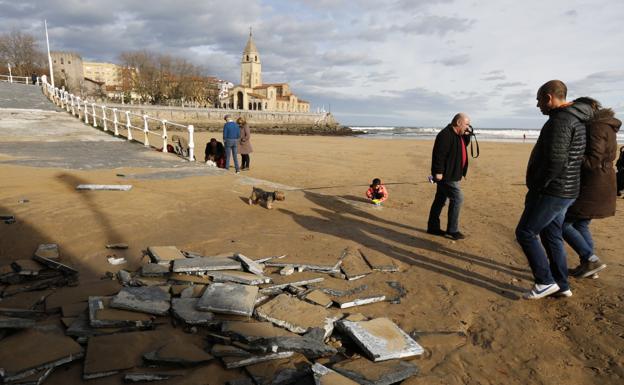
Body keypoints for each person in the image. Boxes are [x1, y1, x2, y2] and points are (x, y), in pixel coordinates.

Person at [515, 80, 591, 300]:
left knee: (526, 232)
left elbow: (555, 162)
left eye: (539, 100)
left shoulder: (561, 121)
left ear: (549, 97)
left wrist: (538, 186)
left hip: (554, 191)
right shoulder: (573, 119)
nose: (538, 105)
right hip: (566, 190)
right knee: (552, 234)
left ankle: (545, 281)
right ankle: (561, 284)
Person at [563, 97, 621, 279]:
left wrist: (569, 155)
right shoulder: (605, 125)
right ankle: (589, 266)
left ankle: (590, 259)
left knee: (563, 223)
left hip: (594, 184)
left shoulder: (595, 127)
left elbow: (593, 161)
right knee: (581, 223)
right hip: (602, 181)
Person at [427, 112, 471, 240]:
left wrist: (467, 135)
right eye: (467, 124)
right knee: (458, 197)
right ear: (458, 123)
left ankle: (433, 227)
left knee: (440, 200)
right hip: (446, 175)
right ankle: (452, 230)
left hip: (454, 174)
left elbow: (462, 147)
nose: (468, 126)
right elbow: (438, 155)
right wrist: (438, 172)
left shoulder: (458, 135)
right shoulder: (445, 135)